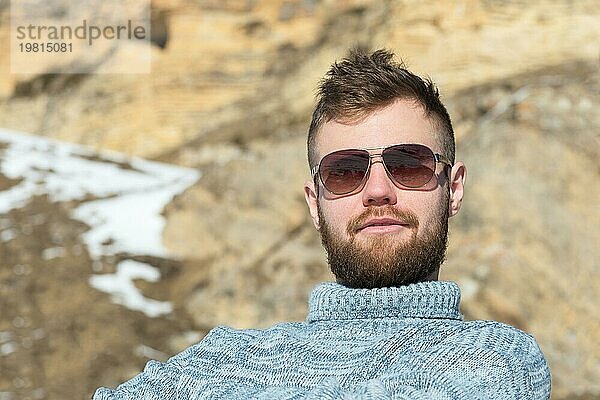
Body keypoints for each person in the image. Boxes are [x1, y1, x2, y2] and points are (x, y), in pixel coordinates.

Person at [93, 48, 551, 399]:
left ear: (452, 188)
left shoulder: (495, 361)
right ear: (315, 203)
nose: (377, 190)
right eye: (346, 171)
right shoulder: (220, 364)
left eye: (408, 164)